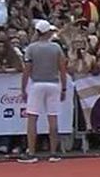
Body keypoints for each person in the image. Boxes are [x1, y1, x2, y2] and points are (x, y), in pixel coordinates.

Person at [20, 20, 68, 163]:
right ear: (48, 32)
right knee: (52, 118)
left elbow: (27, 70)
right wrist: (64, 87)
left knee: (32, 118)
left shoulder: (31, 48)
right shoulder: (56, 48)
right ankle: (53, 153)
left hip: (37, 84)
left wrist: (23, 88)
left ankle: (32, 153)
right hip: (53, 84)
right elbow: (62, 69)